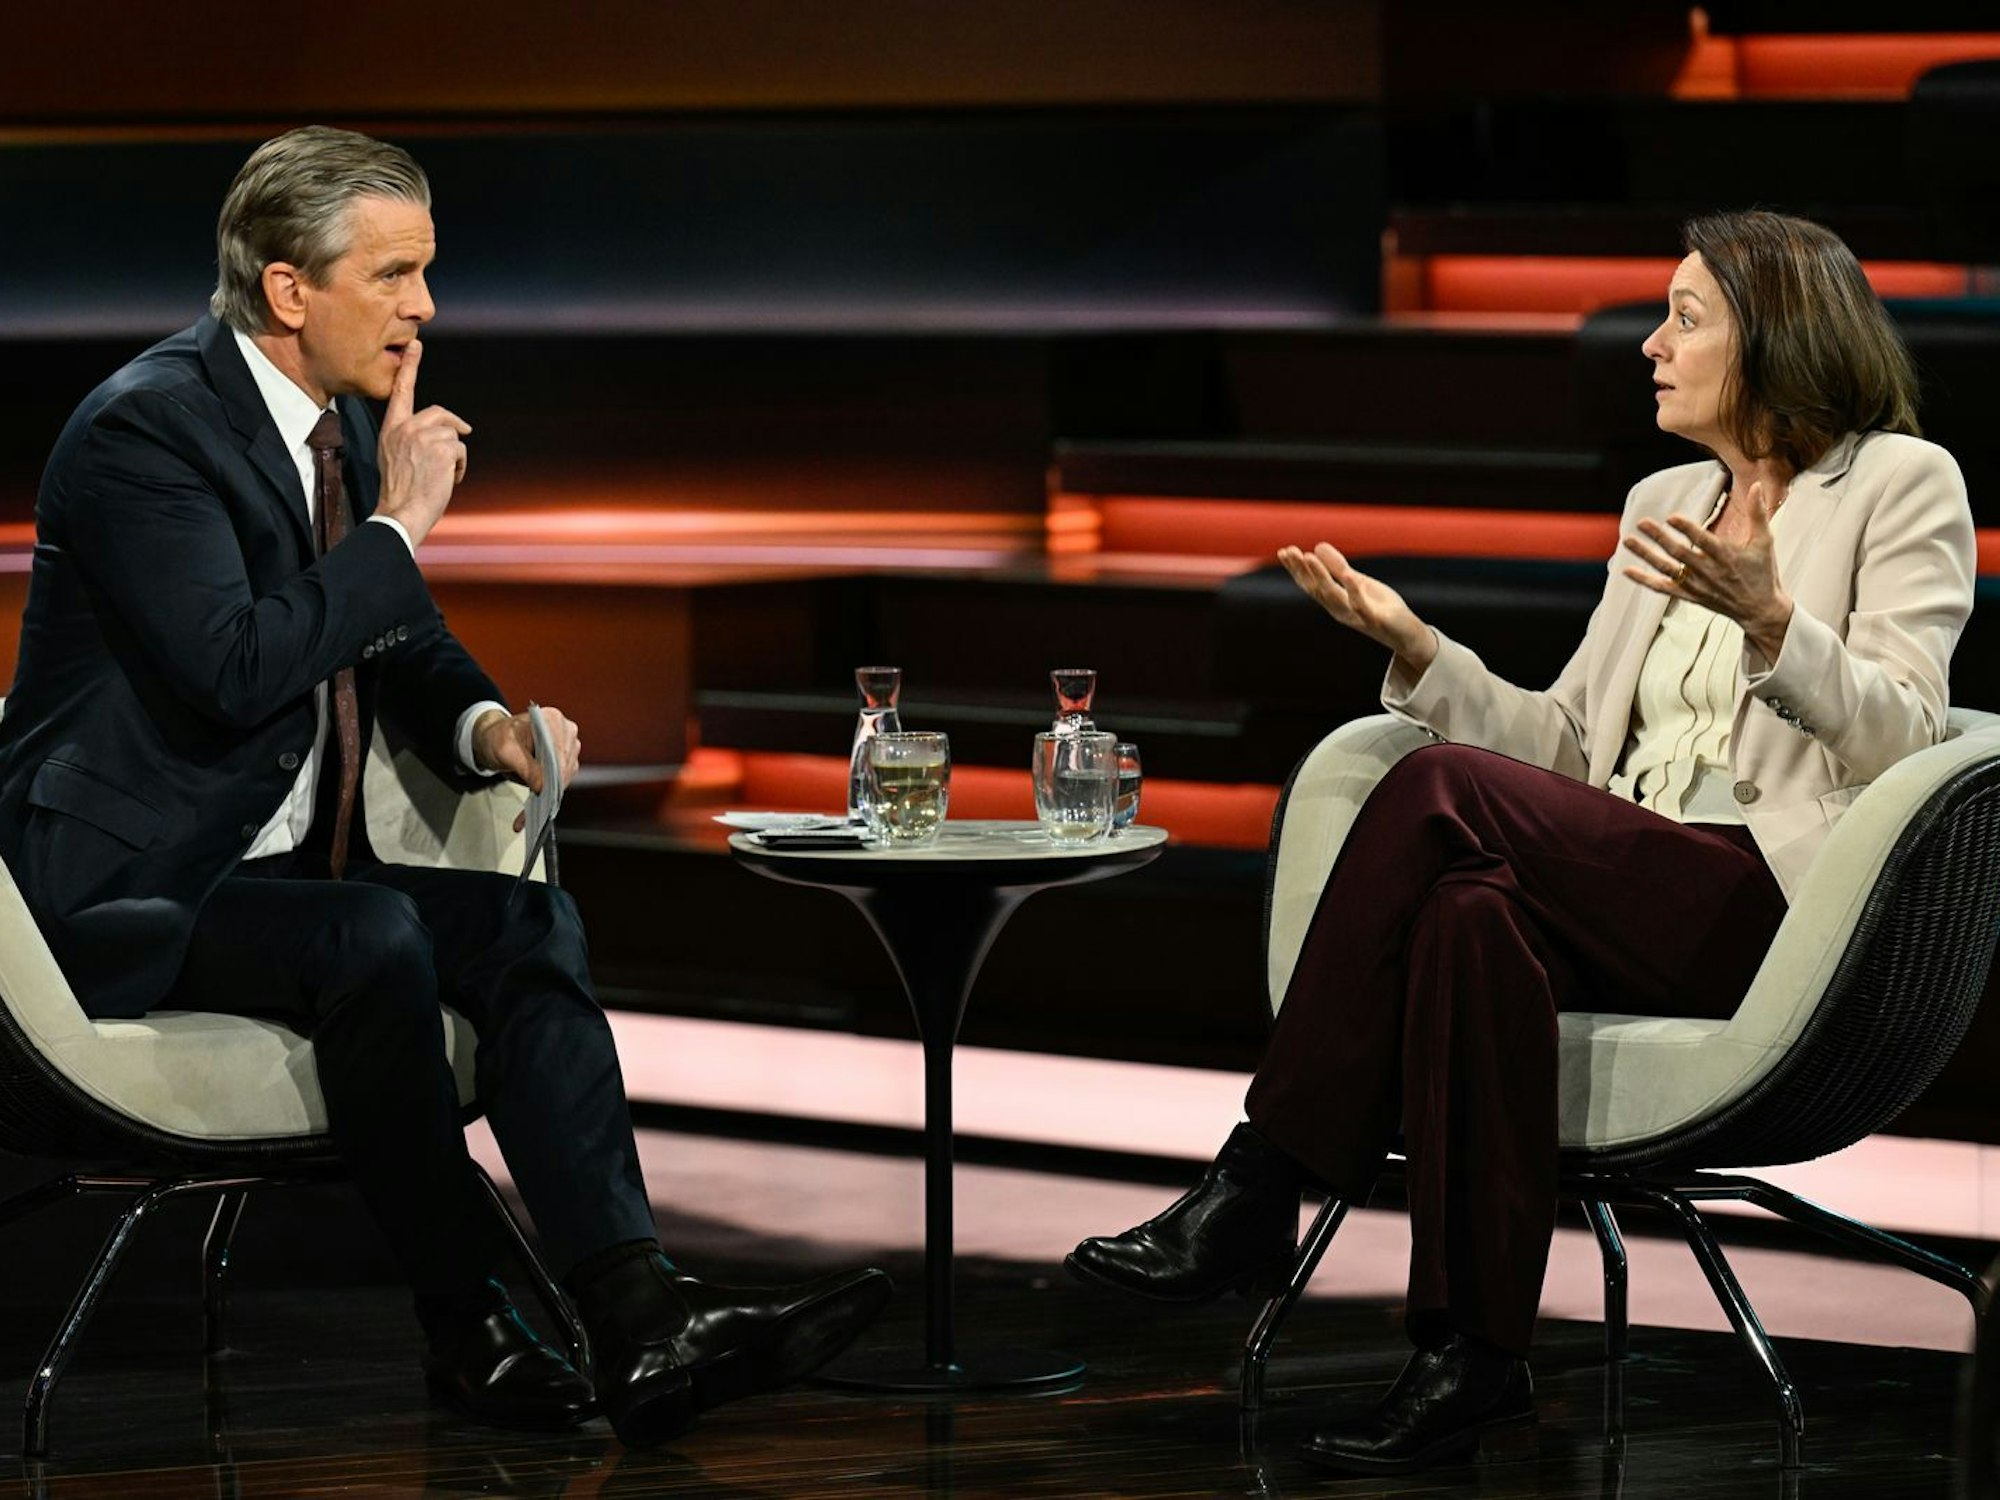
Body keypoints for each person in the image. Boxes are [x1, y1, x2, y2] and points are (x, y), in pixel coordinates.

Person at [0, 126, 892, 1448]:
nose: (425, 308)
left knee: (524, 926)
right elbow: (240, 666)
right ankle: (470, 1323)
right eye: (396, 273)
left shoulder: (335, 424)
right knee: (371, 933)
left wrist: (484, 730)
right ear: (289, 288)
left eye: (428, 271)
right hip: (133, 889)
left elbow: (387, 629)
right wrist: (401, 524)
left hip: (283, 879)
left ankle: (644, 1317)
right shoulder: (146, 432)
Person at [1066, 210, 1976, 1476]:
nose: (1650, 345)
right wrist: (1418, 652)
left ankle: (1262, 1175)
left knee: (1446, 794)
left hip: (1766, 912)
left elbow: (1910, 739)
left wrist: (1774, 624)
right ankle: (1470, 1362)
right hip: (1618, 880)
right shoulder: (1662, 501)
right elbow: (1559, 751)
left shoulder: (1897, 483)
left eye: (1685, 317)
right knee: (1465, 916)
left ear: (1773, 337)